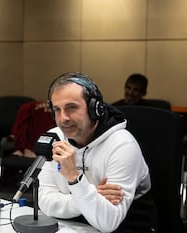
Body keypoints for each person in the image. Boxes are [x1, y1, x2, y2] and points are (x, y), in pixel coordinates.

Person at [38, 72, 157, 232]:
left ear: (96, 108)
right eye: (57, 110)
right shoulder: (55, 137)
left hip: (127, 227)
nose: (63, 118)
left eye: (71, 107)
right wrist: (91, 195)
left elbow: (108, 222)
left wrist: (74, 178)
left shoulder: (123, 145)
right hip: (72, 225)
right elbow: (44, 201)